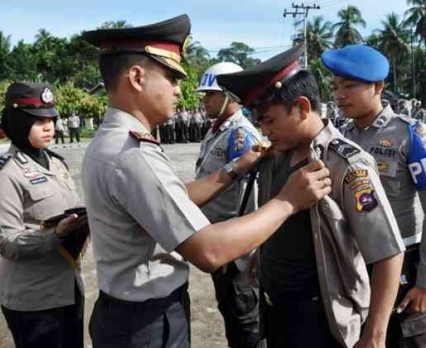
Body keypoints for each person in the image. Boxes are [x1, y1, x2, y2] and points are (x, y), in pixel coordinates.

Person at [81, 15, 332, 348]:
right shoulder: (131, 153)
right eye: (171, 76)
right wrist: (287, 201)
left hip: (131, 315)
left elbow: (172, 199)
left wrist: (235, 168)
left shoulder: (116, 142)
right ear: (137, 77)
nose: (178, 89)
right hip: (144, 323)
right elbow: (209, 251)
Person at [218, 44, 404, 348]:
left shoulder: (345, 164)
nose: (265, 132)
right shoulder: (275, 157)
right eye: (260, 122)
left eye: (270, 120)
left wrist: (375, 335)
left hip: (322, 319)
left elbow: (387, 251)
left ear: (303, 107)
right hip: (275, 310)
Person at [321, 44, 426, 348]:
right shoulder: (341, 137)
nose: (339, 95)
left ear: (378, 86)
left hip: (401, 266)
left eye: (350, 86)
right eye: (336, 87)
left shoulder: (413, 135)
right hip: (352, 266)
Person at [0, 82, 87, 348]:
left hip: (68, 288)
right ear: (17, 122)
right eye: (39, 121)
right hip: (33, 299)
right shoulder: (3, 174)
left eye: (51, 118)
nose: (49, 126)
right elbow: (7, 242)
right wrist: (56, 234)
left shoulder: (56, 163)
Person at [196, 62, 263, 348]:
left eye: (209, 95)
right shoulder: (218, 130)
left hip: (236, 253)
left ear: (228, 95)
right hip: (220, 245)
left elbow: (251, 199)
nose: (204, 101)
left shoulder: (241, 136)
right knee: (231, 317)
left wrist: (245, 254)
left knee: (246, 323)